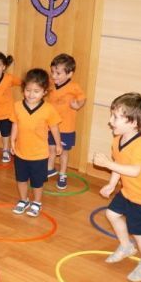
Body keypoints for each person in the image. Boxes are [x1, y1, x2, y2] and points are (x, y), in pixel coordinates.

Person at [93, 92, 141, 282]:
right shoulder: (118, 139)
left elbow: (134, 171)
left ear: (133, 122)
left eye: (115, 117)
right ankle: (126, 246)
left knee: (140, 232)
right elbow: (120, 163)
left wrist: (108, 165)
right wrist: (111, 184)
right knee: (112, 214)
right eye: (112, 115)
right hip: (129, 191)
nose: (110, 121)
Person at [9, 69, 62, 217]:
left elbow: (54, 128)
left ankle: (37, 202)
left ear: (44, 92)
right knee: (21, 179)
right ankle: (23, 200)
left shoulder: (48, 109)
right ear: (23, 89)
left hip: (39, 155)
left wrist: (58, 144)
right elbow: (15, 124)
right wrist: (12, 140)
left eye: (36, 91)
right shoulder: (17, 106)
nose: (31, 94)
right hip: (21, 152)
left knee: (37, 182)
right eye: (28, 90)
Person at [46, 53, 86, 189]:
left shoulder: (74, 87)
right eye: (52, 72)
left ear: (69, 74)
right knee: (50, 148)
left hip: (66, 127)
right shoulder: (51, 84)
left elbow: (82, 98)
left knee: (63, 152)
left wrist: (78, 105)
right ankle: (49, 169)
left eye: (58, 73)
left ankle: (62, 174)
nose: (54, 76)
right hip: (50, 126)